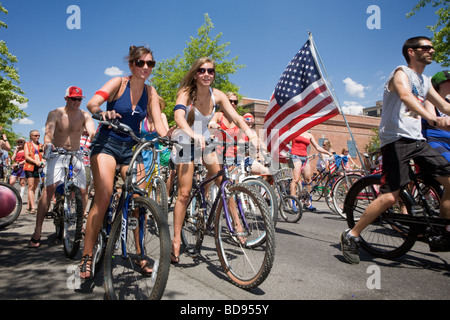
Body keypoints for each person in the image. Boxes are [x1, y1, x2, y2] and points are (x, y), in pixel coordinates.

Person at [340, 36, 450, 264]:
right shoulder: (401, 73)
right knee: (390, 196)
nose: (432, 50)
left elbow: (444, 105)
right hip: (396, 141)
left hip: (418, 141)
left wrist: (442, 113)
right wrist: (431, 118)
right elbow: (405, 96)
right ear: (412, 51)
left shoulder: (426, 81)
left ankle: (442, 234)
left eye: (432, 47)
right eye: (426, 47)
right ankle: (352, 235)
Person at [82, 45, 170, 279]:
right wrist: (103, 113)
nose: (145, 67)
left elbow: (159, 126)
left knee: (139, 200)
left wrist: (173, 136)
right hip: (107, 143)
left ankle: (139, 253)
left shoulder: (150, 92)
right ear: (131, 65)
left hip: (132, 146)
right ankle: (87, 255)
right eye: (140, 63)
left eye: (150, 64)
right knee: (104, 195)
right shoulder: (118, 83)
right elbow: (92, 104)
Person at [171, 57, 257, 263]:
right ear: (195, 73)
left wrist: (250, 133)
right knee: (183, 194)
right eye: (202, 70)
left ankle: (237, 225)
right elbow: (178, 117)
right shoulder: (186, 93)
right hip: (186, 139)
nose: (206, 74)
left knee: (223, 182)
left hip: (205, 140)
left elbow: (236, 117)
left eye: (210, 71)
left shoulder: (217, 95)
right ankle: (175, 240)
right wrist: (192, 134)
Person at [28, 86, 96, 249]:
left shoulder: (84, 115)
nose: (76, 102)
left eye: (79, 99)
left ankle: (80, 224)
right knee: (49, 189)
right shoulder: (55, 113)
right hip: (57, 154)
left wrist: (95, 140)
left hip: (76, 154)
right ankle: (37, 231)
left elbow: (92, 131)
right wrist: (49, 143)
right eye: (73, 99)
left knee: (83, 190)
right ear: (66, 99)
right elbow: (49, 131)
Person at [290, 132, 333, 211]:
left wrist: (328, 153)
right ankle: (293, 203)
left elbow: (317, 147)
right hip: (295, 156)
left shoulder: (309, 135)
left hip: (305, 158)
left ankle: (307, 203)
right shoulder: (295, 131)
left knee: (308, 181)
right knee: (295, 179)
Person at [422, 70, 450, 161]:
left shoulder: (448, 103)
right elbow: (432, 121)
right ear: (441, 84)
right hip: (435, 141)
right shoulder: (429, 101)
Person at [23, 130, 44, 214]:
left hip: (38, 167)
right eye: (35, 135)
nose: (37, 137)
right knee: (31, 186)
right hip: (29, 167)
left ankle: (29, 205)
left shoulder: (41, 145)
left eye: (38, 135)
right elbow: (26, 156)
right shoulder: (27, 144)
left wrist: (42, 162)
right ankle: (33, 207)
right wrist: (36, 162)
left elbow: (43, 155)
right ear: (31, 136)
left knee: (35, 187)